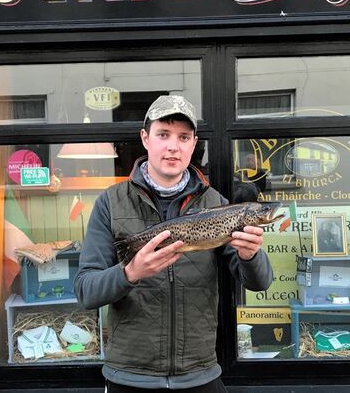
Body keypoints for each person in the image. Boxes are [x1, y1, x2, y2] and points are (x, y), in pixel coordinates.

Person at [74, 95, 273, 392]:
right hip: (129, 377)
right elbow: (85, 292)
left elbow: (260, 283)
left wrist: (250, 255)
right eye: (163, 134)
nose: (173, 146)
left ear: (193, 144)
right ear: (145, 138)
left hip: (200, 374)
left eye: (183, 137)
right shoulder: (110, 203)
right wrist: (129, 274)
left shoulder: (217, 204)